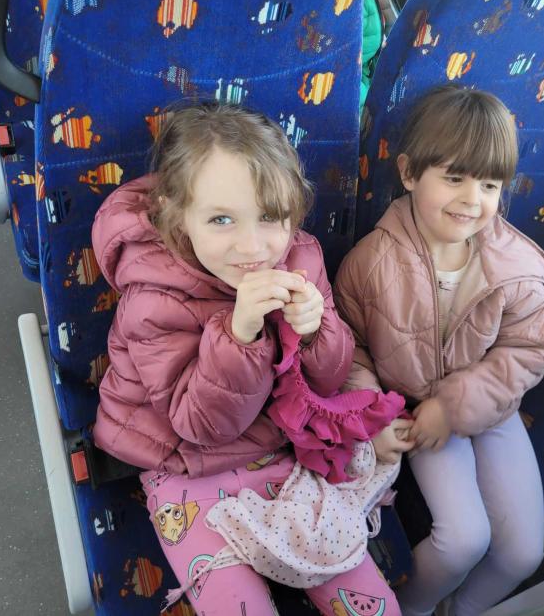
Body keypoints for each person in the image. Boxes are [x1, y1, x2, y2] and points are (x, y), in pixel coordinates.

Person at [91, 102, 409, 615]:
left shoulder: (300, 257)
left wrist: (316, 332)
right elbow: (201, 426)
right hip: (183, 464)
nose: (252, 246)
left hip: (282, 450)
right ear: (177, 214)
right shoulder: (152, 301)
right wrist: (240, 337)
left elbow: (326, 385)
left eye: (269, 217)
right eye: (221, 219)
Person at [335, 85, 544, 616]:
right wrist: (374, 417)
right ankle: (411, 607)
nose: (472, 200)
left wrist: (455, 405)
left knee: (524, 554)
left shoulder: (515, 268)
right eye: (454, 178)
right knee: (463, 541)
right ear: (410, 173)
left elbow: (529, 347)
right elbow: (349, 348)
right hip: (414, 410)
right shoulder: (370, 262)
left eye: (489, 184)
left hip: (489, 407)